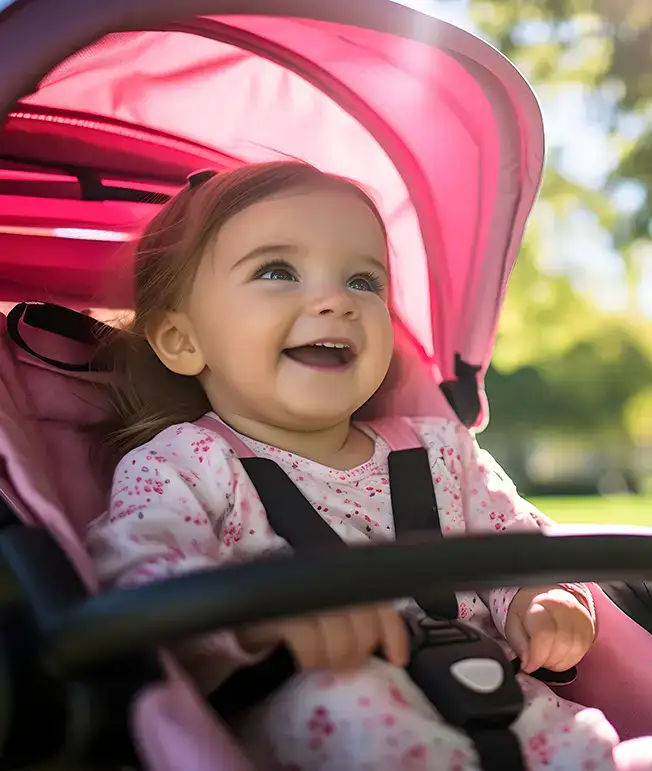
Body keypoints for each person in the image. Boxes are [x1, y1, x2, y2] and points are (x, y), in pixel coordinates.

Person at [87, 161, 623, 770]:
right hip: (327, 707)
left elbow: (517, 542)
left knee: (588, 742)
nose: (337, 301)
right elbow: (140, 575)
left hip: (496, 696)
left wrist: (540, 596)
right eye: (277, 271)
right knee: (349, 711)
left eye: (364, 282)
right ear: (184, 340)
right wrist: (265, 619)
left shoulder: (442, 452)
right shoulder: (180, 465)